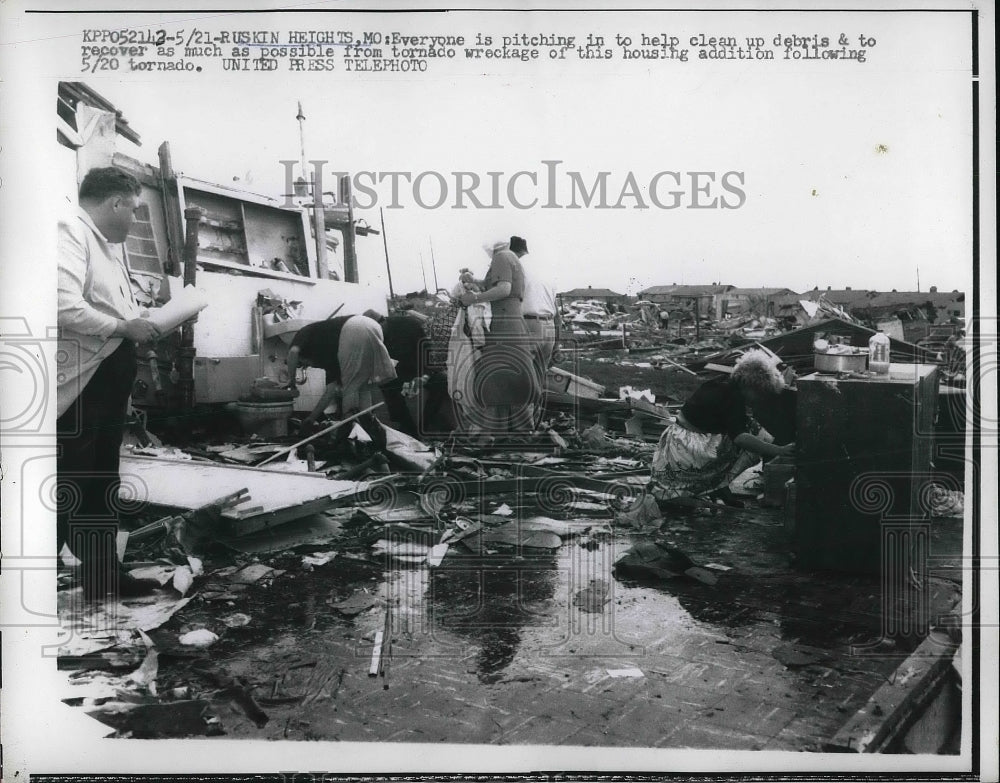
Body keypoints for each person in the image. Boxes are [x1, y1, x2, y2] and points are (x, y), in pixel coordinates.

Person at [57, 166, 162, 599]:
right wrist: (126, 329)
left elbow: (117, 309)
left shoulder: (108, 247)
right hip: (79, 390)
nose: (135, 220)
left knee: (102, 482)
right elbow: (61, 306)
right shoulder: (69, 230)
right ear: (116, 202)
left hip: (104, 388)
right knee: (68, 484)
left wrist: (141, 327)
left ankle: (103, 576)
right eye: (135, 210)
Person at [650, 349, 796, 505]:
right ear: (750, 386)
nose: (759, 400)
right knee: (753, 439)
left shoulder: (723, 383)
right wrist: (778, 450)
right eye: (760, 394)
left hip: (679, 438)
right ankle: (713, 484)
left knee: (753, 430)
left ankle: (719, 485)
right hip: (686, 449)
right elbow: (740, 438)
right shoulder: (732, 398)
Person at [458, 240, 539, 433]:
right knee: (507, 373)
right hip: (509, 320)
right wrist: (474, 281)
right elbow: (496, 285)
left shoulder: (501, 257)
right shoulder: (510, 257)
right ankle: (516, 430)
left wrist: (474, 298)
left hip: (505, 323)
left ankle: (506, 431)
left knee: (504, 374)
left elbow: (504, 289)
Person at [285, 314, 396, 448]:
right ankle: (367, 433)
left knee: (350, 388)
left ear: (305, 354)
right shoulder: (329, 356)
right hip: (373, 326)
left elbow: (293, 352)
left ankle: (349, 437)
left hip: (353, 328)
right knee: (363, 385)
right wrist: (311, 419)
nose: (307, 366)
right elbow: (330, 391)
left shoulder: (303, 333)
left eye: (303, 363)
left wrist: (291, 382)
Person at [364, 310, 451, 437]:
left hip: (421, 365)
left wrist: (424, 375)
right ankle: (407, 426)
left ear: (383, 321)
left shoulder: (409, 324)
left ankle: (426, 424)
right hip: (399, 370)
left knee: (442, 382)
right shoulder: (371, 337)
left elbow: (426, 350)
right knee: (387, 386)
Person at [510, 235, 560, 380]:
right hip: (549, 327)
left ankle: (522, 403)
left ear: (511, 252)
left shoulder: (517, 266)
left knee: (520, 376)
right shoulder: (545, 270)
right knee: (538, 378)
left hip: (530, 325)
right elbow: (558, 316)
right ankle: (535, 403)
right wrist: (556, 344)